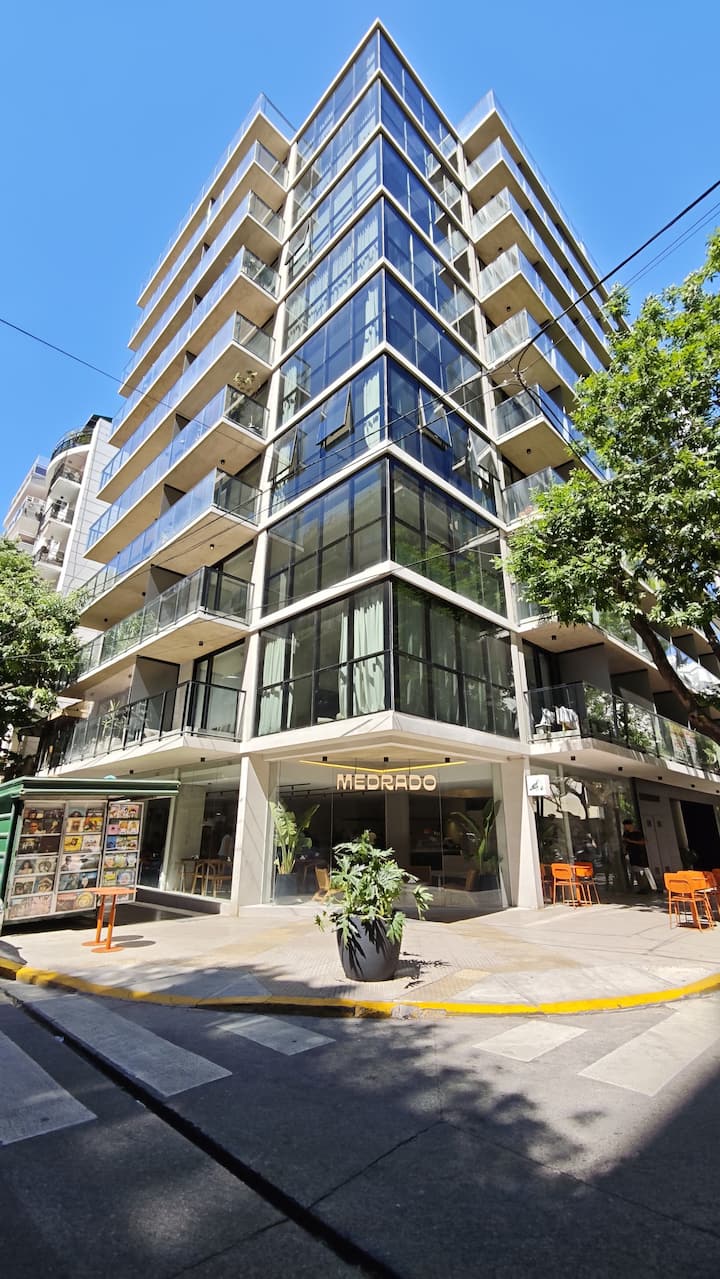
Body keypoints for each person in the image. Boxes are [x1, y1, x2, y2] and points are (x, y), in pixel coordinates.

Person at [622, 818, 657, 893]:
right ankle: (641, 887)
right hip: (631, 854)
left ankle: (650, 887)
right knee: (636, 870)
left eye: (626, 825)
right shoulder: (626, 834)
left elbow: (643, 842)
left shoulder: (637, 833)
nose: (625, 827)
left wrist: (631, 841)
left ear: (630, 825)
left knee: (644, 870)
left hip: (639, 854)